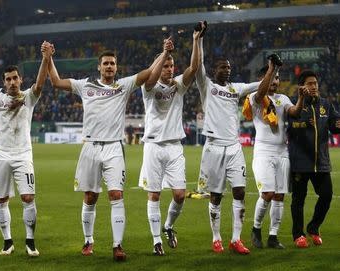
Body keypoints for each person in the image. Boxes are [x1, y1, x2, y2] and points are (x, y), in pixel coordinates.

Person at [42, 39, 172, 261]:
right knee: (90, 196)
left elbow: (149, 73)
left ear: (116, 67)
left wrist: (164, 52)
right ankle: (88, 239)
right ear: (99, 67)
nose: (109, 66)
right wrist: (48, 57)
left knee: (116, 195)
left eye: (112, 63)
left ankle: (117, 245)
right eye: (106, 63)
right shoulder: (86, 86)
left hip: (113, 148)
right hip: (90, 147)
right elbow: (55, 81)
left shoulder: (123, 86)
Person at [195, 25, 261, 255]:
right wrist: (198, 39)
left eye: (230, 67)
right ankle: (216, 238)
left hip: (234, 148)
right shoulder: (207, 86)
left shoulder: (236, 88)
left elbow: (259, 86)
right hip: (213, 148)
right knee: (215, 195)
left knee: (240, 192)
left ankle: (235, 239)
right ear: (215, 70)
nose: (228, 70)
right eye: (223, 67)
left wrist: (272, 70)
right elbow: (197, 66)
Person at [138, 24, 203, 256]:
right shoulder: (149, 87)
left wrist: (196, 40)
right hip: (154, 146)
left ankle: (168, 227)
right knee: (154, 194)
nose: (169, 68)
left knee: (179, 195)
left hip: (175, 146)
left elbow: (194, 68)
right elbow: (150, 77)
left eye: (171, 65)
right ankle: (156, 241)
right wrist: (164, 52)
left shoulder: (178, 86)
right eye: (165, 65)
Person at [0, 42, 49, 257]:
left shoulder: (29, 97)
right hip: (0, 153)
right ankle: (8, 241)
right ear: (4, 82)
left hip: (22, 154)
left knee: (28, 198)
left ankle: (30, 240)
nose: (12, 82)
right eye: (8, 79)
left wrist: (46, 58)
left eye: (15, 78)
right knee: (1, 200)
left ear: (20, 79)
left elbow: (40, 83)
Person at [242, 56, 306, 250]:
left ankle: (273, 236)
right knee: (268, 194)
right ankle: (256, 228)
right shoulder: (254, 98)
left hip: (282, 153)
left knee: (279, 196)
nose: (276, 81)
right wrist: (270, 70)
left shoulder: (283, 98)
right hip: (263, 154)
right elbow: (261, 95)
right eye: (272, 77)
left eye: (277, 78)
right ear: (263, 79)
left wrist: (301, 97)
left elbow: (294, 112)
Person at [287, 70, 340, 248]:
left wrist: (338, 123)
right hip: (300, 162)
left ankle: (313, 227)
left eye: (315, 83)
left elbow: (335, 127)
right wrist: (303, 124)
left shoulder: (326, 104)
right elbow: (292, 127)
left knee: (326, 195)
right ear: (302, 86)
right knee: (298, 200)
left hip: (321, 162)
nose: (314, 86)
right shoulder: (295, 106)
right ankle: (298, 235)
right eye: (310, 83)